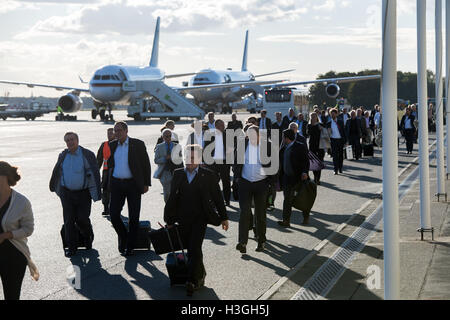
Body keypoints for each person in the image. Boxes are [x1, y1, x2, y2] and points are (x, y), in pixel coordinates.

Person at [164, 145, 229, 297]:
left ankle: (191, 281)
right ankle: (200, 275)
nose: (189, 161)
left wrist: (224, 217)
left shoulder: (209, 175)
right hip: (183, 218)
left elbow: (217, 197)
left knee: (194, 248)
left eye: (192, 158)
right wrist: (169, 219)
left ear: (199, 159)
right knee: (191, 249)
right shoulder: (178, 173)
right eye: (187, 157)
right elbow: (172, 198)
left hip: (200, 218)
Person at [49, 132, 100, 257]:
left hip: (83, 193)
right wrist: (57, 187)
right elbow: (58, 172)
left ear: (77, 140)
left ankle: (88, 235)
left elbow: (95, 173)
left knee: (82, 219)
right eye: (67, 140)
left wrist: (97, 191)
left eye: (72, 139)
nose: (70, 142)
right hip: (67, 193)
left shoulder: (87, 154)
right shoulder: (63, 155)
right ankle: (72, 247)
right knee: (69, 221)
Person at [108, 121, 151, 257]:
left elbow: (146, 164)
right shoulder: (112, 145)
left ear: (126, 131)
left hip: (133, 184)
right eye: (115, 131)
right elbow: (110, 164)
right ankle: (125, 237)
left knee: (133, 217)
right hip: (116, 184)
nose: (117, 133)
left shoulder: (137, 144)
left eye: (119, 130)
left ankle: (130, 246)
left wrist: (146, 183)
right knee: (114, 215)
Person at [0, 162, 39, 300]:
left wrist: (6, 235)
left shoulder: (21, 202)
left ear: (5, 177)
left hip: (14, 254)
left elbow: (28, 229)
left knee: (11, 295)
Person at [234, 126, 275, 253]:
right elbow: (236, 162)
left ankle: (261, 241)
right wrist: (237, 177)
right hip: (245, 183)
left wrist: (270, 183)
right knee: (244, 212)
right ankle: (242, 242)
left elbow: (275, 165)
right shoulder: (242, 145)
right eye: (248, 135)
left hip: (261, 184)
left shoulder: (267, 146)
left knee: (260, 214)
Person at [277, 129, 310, 227]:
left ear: (287, 138)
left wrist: (305, 172)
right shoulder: (283, 149)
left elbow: (306, 161)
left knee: (303, 198)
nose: (282, 139)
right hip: (287, 178)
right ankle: (286, 220)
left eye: (283, 137)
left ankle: (306, 217)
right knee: (287, 199)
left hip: (299, 177)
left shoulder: (300, 146)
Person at [204, 119, 232, 206]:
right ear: (216, 126)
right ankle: (214, 200)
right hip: (213, 162)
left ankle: (227, 200)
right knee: (213, 182)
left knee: (226, 182)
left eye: (224, 125)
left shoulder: (228, 135)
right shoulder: (210, 135)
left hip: (224, 162)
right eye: (221, 125)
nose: (223, 127)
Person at [154, 129, 183, 202]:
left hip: (175, 171)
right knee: (167, 193)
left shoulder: (177, 146)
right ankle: (168, 206)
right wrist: (165, 158)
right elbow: (156, 160)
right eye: (166, 136)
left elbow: (181, 159)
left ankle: (174, 207)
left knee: (175, 191)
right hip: (165, 172)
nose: (168, 138)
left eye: (170, 136)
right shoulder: (159, 147)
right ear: (163, 137)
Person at [96, 128, 115, 216]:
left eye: (111, 133)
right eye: (108, 133)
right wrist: (96, 171)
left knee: (114, 190)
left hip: (115, 172)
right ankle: (106, 208)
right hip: (106, 171)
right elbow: (99, 159)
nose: (109, 135)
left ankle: (113, 208)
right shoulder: (104, 145)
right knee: (105, 189)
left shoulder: (119, 144)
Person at [327, 108, 346, 175]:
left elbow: (344, 132)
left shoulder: (340, 122)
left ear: (336, 114)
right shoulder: (329, 123)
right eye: (331, 114)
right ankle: (335, 169)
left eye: (334, 114)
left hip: (340, 140)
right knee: (335, 155)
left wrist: (345, 141)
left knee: (340, 155)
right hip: (333, 140)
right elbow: (327, 133)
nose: (332, 115)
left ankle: (340, 168)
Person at [308, 112, 325, 185]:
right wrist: (313, 126)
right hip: (312, 146)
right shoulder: (309, 125)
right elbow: (308, 133)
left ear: (317, 117)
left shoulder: (320, 125)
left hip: (320, 145)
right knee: (314, 163)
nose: (313, 118)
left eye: (314, 116)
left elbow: (326, 133)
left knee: (320, 161)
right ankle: (315, 177)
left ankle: (318, 178)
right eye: (311, 116)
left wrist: (322, 129)